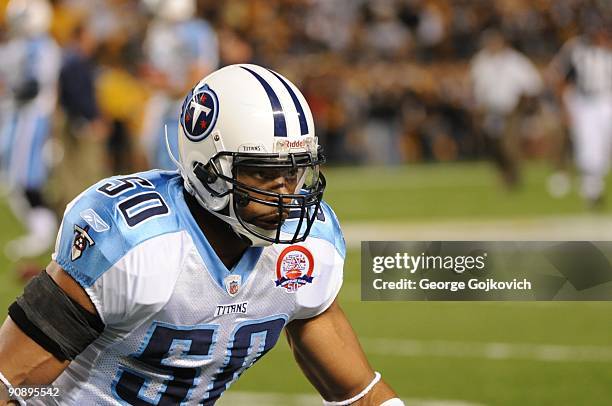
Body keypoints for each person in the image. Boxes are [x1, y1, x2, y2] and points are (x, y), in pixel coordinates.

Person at [0, 64, 403, 406]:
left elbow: (357, 391)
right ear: (207, 166)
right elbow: (9, 383)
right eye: (263, 173)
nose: (286, 196)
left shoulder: (308, 247)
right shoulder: (135, 240)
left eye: (294, 172)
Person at [0, 0, 61, 260]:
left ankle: (43, 231)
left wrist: (10, 92)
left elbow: (35, 84)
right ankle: (38, 228)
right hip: (14, 115)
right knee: (11, 177)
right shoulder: (16, 45)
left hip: (30, 115)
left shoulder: (42, 46)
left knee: (26, 177)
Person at [140, 0, 219, 170]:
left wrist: (174, 87)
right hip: (163, 100)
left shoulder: (198, 31)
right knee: (150, 149)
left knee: (186, 158)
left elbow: (200, 71)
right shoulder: (158, 29)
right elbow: (151, 68)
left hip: (190, 101)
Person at [547, 15, 612, 208]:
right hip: (587, 102)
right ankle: (592, 189)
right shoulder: (576, 49)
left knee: (604, 144)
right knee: (590, 146)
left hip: (608, 99)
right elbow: (559, 78)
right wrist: (565, 108)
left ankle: (593, 184)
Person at [470, 29, 542, 188]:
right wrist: (477, 107)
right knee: (494, 145)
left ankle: (513, 177)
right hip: (489, 110)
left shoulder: (515, 61)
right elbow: (475, 86)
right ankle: (504, 173)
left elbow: (533, 84)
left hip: (511, 110)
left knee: (509, 144)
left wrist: (523, 104)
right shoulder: (481, 61)